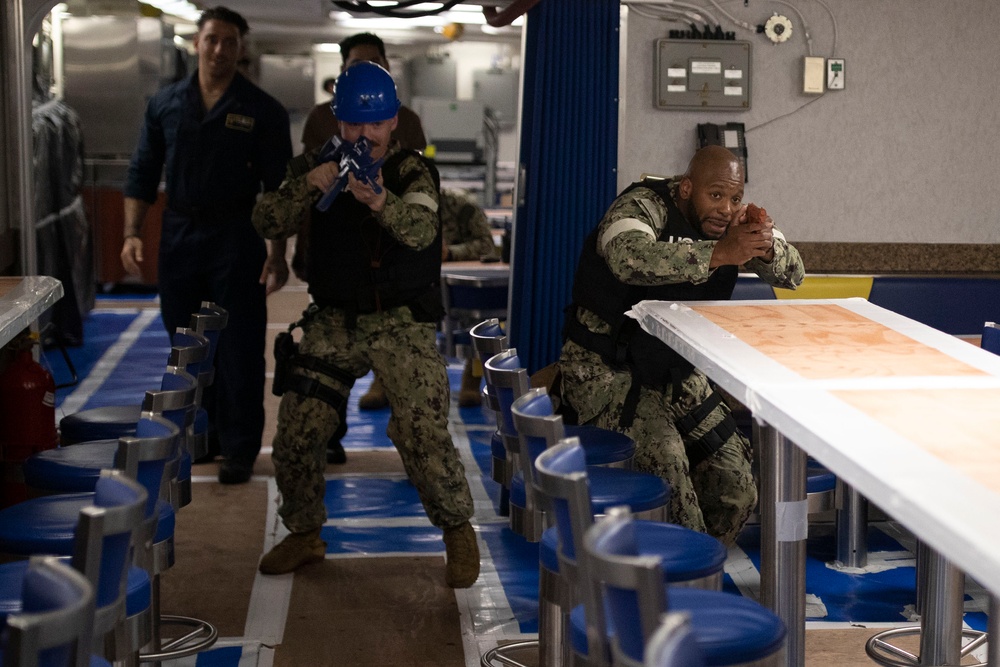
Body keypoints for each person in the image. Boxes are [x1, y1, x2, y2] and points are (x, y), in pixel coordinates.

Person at [251, 61, 480, 587]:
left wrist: (378, 200)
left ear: (393, 122)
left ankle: (457, 531)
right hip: (334, 320)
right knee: (298, 431)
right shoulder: (315, 164)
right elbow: (266, 219)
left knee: (423, 431)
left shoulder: (412, 173)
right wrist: (307, 186)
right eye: (353, 124)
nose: (363, 136)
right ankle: (305, 533)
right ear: (338, 121)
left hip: (400, 323)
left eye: (374, 125)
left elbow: (422, 231)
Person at [557, 145, 805, 546]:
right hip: (607, 368)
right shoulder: (643, 205)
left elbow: (794, 274)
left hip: (674, 372)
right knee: (670, 470)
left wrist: (763, 241)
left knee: (736, 488)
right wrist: (722, 253)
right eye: (716, 195)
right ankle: (678, 592)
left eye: (735, 197)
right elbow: (626, 257)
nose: (726, 208)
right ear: (687, 188)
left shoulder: (730, 222)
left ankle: (691, 573)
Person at [121, 5, 292, 485]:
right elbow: (142, 171)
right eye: (212, 39)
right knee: (188, 346)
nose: (219, 49)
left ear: (240, 50)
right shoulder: (165, 105)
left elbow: (277, 192)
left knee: (237, 347)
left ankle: (239, 449)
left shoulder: (262, 111)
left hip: (237, 237)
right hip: (179, 236)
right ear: (197, 42)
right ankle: (205, 437)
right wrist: (133, 232)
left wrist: (277, 254)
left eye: (229, 42)